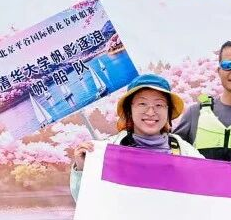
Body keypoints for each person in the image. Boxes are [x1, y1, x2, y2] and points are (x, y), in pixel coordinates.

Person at [70, 72, 201, 197]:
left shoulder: (185, 150)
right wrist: (82, 168)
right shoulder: (110, 149)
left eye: (159, 105)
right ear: (129, 110)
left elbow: (205, 192)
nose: (151, 112)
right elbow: (87, 201)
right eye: (142, 104)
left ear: (168, 111)